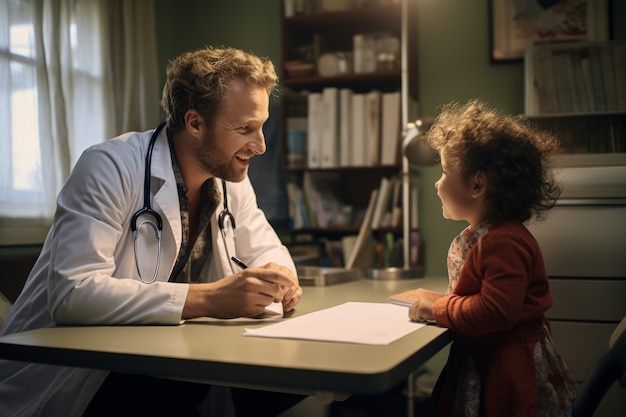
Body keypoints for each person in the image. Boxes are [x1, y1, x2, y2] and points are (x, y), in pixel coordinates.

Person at [0, 46, 304, 417]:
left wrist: (280, 279)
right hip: (76, 374)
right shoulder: (110, 166)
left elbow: (267, 250)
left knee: (296, 380)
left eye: (261, 126)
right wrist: (210, 299)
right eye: (245, 129)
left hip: (164, 363)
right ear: (195, 123)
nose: (260, 146)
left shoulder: (230, 180)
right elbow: (72, 293)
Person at [407, 99, 578, 416]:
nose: (437, 182)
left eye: (444, 172)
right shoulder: (491, 235)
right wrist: (438, 300)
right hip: (492, 358)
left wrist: (441, 308)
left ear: (477, 184)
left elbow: (496, 310)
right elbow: (483, 295)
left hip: (510, 372)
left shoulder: (504, 242)